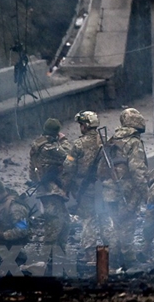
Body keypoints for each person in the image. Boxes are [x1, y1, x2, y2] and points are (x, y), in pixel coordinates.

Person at [96, 107, 149, 269]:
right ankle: (128, 260)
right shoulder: (134, 142)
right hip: (127, 191)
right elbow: (137, 170)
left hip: (109, 191)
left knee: (113, 224)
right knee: (127, 224)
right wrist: (146, 194)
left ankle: (110, 261)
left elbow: (100, 169)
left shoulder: (111, 140)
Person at [65, 110, 108, 265]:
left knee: (88, 219)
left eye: (81, 124)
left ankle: (90, 255)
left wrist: (66, 187)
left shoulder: (78, 144)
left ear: (85, 126)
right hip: (103, 187)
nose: (80, 127)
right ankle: (111, 252)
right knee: (105, 218)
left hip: (84, 187)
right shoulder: (104, 140)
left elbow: (69, 166)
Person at [29, 118, 72, 252]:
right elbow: (70, 156)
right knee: (54, 224)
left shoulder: (40, 143)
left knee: (65, 221)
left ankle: (59, 253)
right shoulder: (49, 147)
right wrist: (64, 140)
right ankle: (47, 256)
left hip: (51, 189)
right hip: (49, 190)